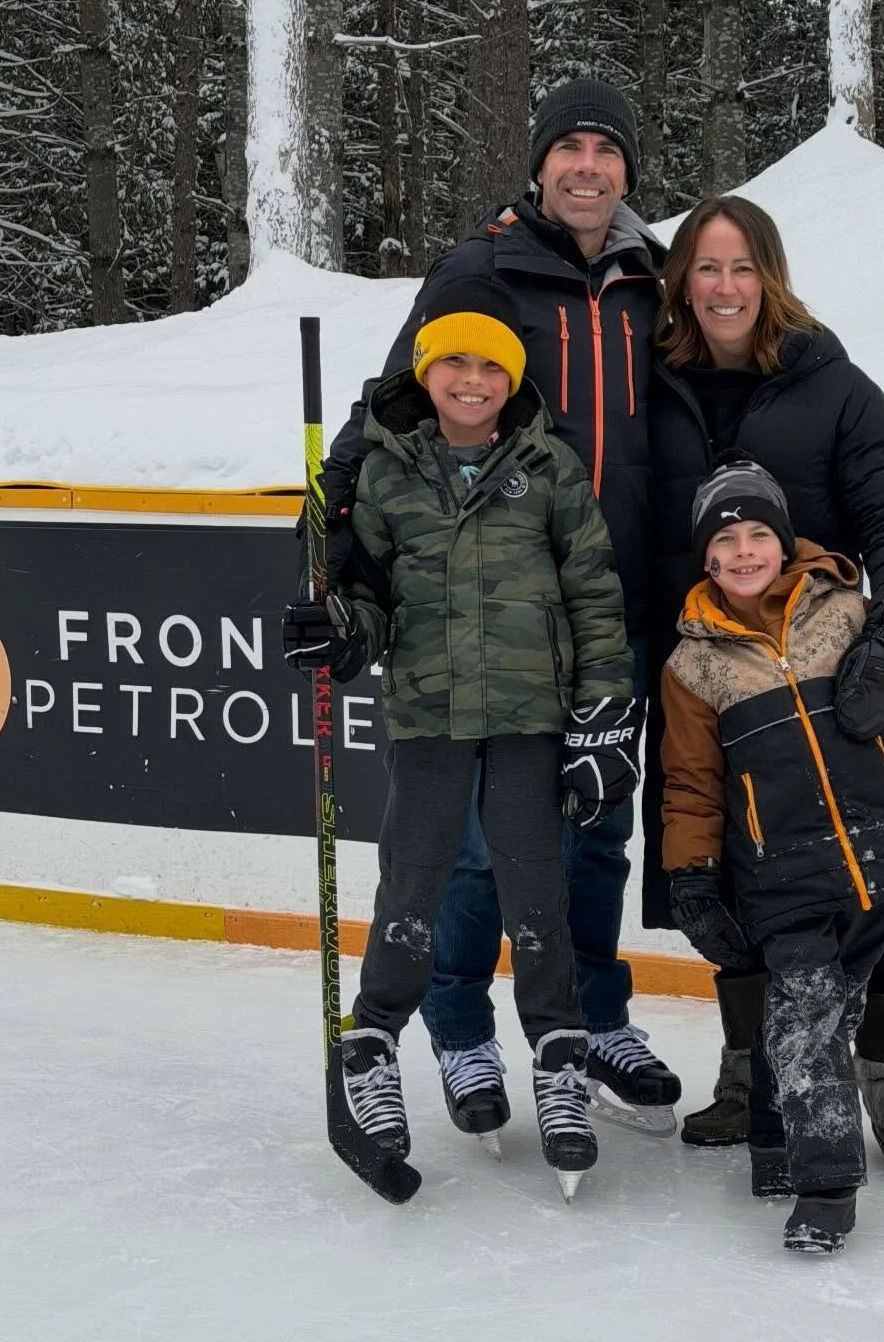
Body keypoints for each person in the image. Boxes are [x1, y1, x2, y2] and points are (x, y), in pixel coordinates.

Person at [291, 78, 681, 1137]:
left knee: (595, 831)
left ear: (630, 172)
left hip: (616, 599)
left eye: (609, 150)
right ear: (541, 163)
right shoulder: (482, 266)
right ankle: (461, 1030)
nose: (589, 167)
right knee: (467, 844)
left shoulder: (657, 279)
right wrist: (328, 536)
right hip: (484, 608)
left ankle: (590, 1020)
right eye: (571, 149)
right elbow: (391, 409)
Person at [284, 277, 642, 1199]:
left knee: (537, 887)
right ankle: (372, 1051)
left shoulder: (550, 467)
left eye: (491, 364)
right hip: (431, 717)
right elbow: (364, 597)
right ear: (425, 368)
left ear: (512, 379)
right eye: (454, 361)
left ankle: (559, 1057)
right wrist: (343, 631)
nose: (472, 379)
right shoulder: (385, 470)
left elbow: (595, 599)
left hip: (532, 720)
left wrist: (604, 713)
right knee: (414, 882)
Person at [644, 194, 884, 1177]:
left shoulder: (837, 387)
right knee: (735, 891)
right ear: (682, 281)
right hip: (703, 678)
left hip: (827, 688)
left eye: (743, 267)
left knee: (848, 887)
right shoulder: (651, 385)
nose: (724, 287)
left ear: (771, 275)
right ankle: (757, 1081)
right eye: (706, 267)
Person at [660, 459, 884, 1252]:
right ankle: (825, 1183)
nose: (744, 551)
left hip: (872, 855)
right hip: (779, 872)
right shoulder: (693, 663)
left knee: (843, 999)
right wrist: (691, 878)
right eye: (725, 540)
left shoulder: (849, 615)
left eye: (758, 533)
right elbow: (691, 785)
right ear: (706, 558)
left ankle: (775, 1138)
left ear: (784, 539)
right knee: (803, 1018)